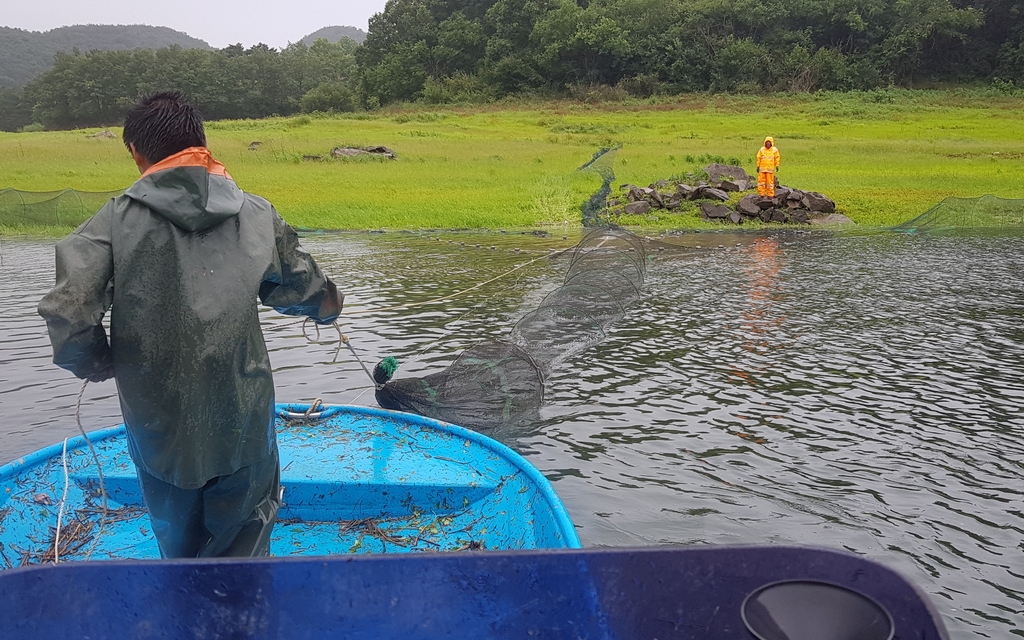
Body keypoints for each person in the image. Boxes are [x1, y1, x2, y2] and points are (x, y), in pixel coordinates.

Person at [38, 91, 343, 558]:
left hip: (157, 418)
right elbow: (307, 291)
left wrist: (99, 361)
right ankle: (242, 617)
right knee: (246, 534)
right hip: (243, 411)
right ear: (201, 143)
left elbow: (68, 311)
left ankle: (186, 609)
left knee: (176, 536)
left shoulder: (113, 221)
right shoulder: (257, 214)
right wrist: (329, 307)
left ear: (137, 154)